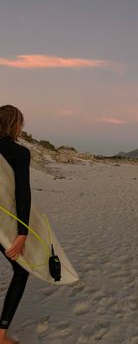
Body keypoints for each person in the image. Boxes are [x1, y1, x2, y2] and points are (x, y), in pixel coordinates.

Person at [0, 105, 31, 344]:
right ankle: (1, 335)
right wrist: (22, 234)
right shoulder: (18, 152)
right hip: (3, 222)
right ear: (15, 124)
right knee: (21, 271)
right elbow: (23, 194)